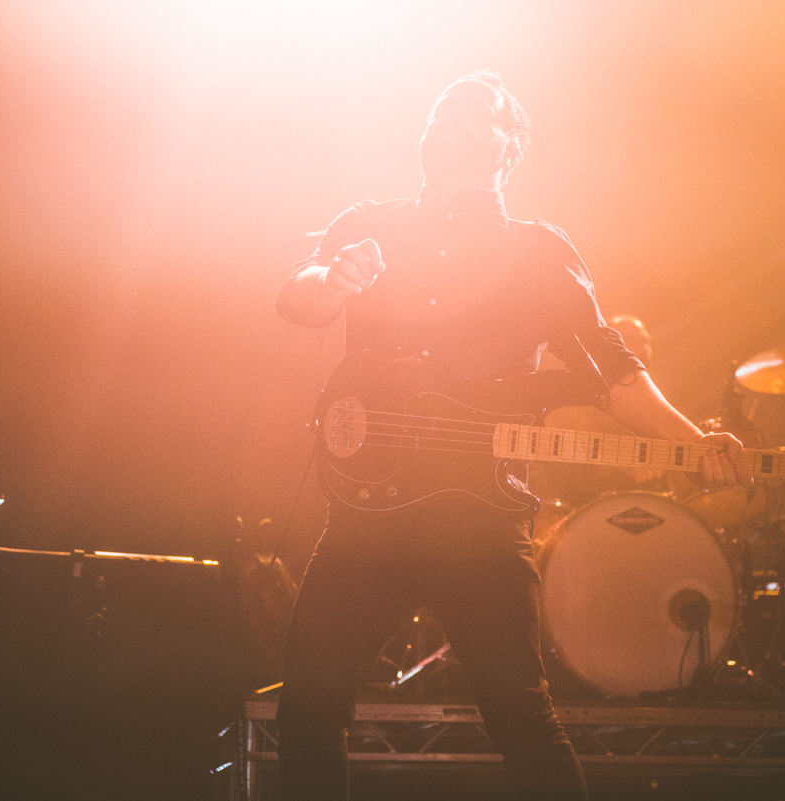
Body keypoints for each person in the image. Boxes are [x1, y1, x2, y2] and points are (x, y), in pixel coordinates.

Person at [275, 70, 748, 800]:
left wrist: (697, 441)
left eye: (473, 113)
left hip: (477, 525)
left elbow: (612, 373)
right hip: (366, 518)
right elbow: (297, 295)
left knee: (522, 719)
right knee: (307, 708)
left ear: (508, 149)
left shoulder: (537, 251)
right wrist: (334, 280)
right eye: (441, 110)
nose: (449, 118)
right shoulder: (371, 224)